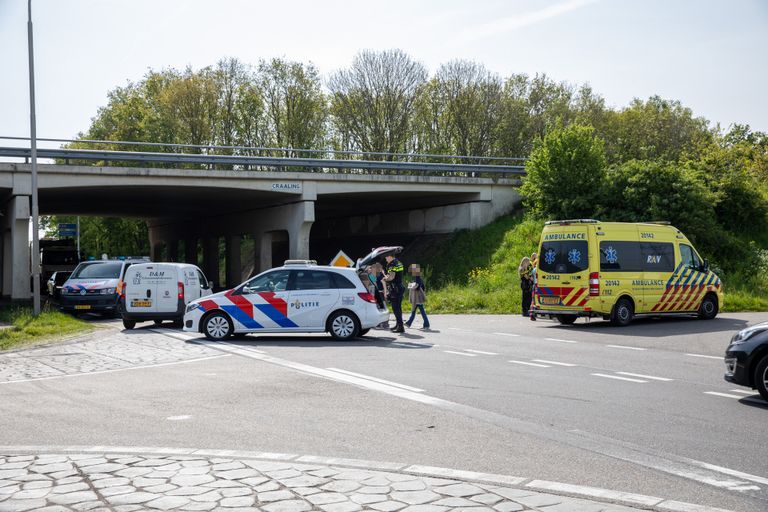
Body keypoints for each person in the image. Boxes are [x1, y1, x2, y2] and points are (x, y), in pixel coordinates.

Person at [383, 254, 405, 333]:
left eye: (386, 256)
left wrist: (385, 279)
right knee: (398, 308)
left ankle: (400, 327)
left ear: (390, 256)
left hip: (395, 289)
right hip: (399, 287)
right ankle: (398, 325)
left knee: (396, 308)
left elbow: (391, 277)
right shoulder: (398, 262)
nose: (385, 258)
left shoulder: (392, 265)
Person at [405, 264, 430, 330]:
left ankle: (426, 324)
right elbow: (422, 287)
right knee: (416, 311)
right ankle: (409, 323)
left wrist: (410, 285)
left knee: (418, 311)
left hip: (417, 298)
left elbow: (417, 286)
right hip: (417, 298)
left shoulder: (417, 277)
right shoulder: (418, 277)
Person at [529, 252, 538, 321]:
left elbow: (531, 278)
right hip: (539, 285)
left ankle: (532, 314)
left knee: (533, 300)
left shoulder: (533, 270)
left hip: (534, 285)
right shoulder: (538, 269)